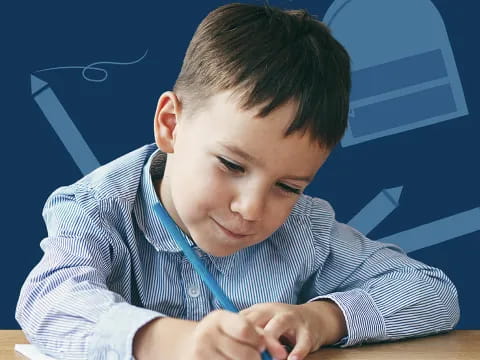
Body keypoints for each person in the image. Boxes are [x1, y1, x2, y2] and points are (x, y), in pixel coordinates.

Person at [16, 3, 460, 360]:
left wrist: (322, 320)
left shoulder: (304, 229)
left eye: (287, 187)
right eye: (231, 164)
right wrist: (172, 343)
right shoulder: (96, 209)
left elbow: (431, 292)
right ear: (171, 124)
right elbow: (48, 301)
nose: (252, 208)